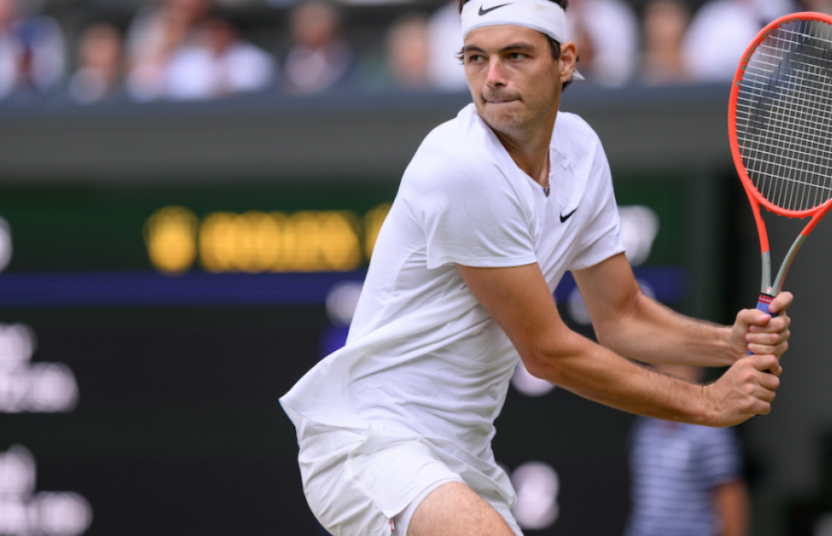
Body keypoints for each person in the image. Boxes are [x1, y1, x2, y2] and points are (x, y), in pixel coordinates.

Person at [280, 0, 792, 534]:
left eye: (516, 55)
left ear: (565, 60)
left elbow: (622, 314)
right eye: (475, 58)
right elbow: (547, 353)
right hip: (367, 443)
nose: (493, 78)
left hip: (461, 459)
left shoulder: (581, 150)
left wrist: (727, 344)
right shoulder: (461, 166)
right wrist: (708, 402)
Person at [625, 365, 749, 536]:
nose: (669, 372)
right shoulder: (644, 429)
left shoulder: (712, 431)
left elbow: (731, 499)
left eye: (679, 364)